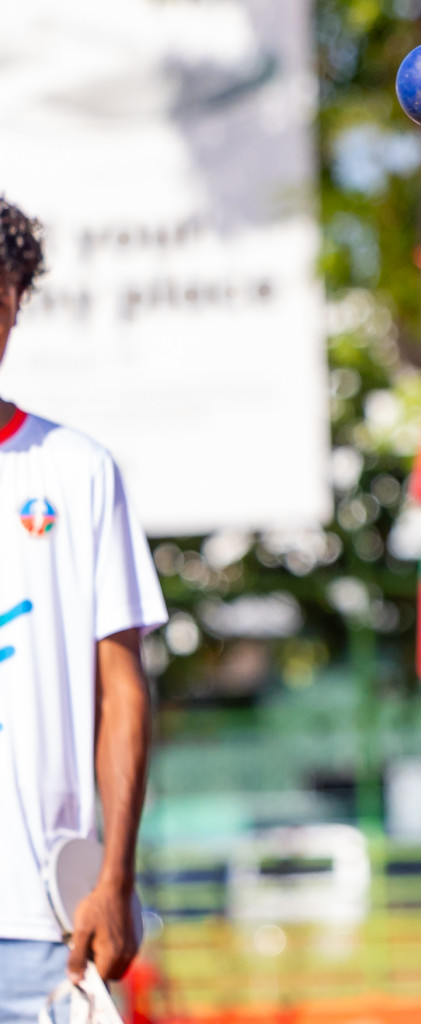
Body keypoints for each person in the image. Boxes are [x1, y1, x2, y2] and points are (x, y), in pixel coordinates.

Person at [0, 198, 165, 1020]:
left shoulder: (77, 469)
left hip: (41, 930)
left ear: (15, 306)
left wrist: (115, 877)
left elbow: (122, 690)